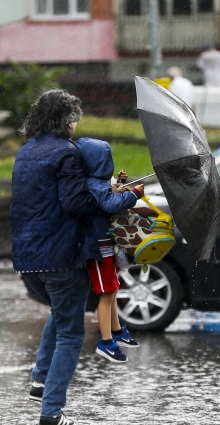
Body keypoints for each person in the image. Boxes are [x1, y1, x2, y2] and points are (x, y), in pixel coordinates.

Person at [11, 89, 104, 425]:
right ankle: (51, 412)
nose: (76, 125)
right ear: (67, 122)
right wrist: (112, 199)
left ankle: (39, 380)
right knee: (71, 334)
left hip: (27, 258)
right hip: (61, 256)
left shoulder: (27, 151)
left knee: (63, 312)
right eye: (74, 118)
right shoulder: (67, 153)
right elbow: (75, 202)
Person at [76, 138, 144, 363]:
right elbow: (111, 204)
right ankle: (106, 342)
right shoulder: (94, 184)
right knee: (105, 294)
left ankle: (116, 330)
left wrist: (120, 186)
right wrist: (133, 194)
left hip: (106, 245)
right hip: (98, 249)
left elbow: (109, 195)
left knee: (112, 289)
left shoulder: (97, 182)